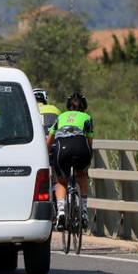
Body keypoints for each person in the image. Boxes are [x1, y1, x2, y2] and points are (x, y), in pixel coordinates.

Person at [46, 92, 93, 230]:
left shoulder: (60, 117)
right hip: (81, 148)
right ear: (84, 106)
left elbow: (49, 141)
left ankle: (61, 213)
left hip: (62, 149)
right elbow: (90, 142)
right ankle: (84, 212)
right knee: (82, 175)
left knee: (61, 180)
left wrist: (47, 152)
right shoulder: (87, 117)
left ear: (68, 106)